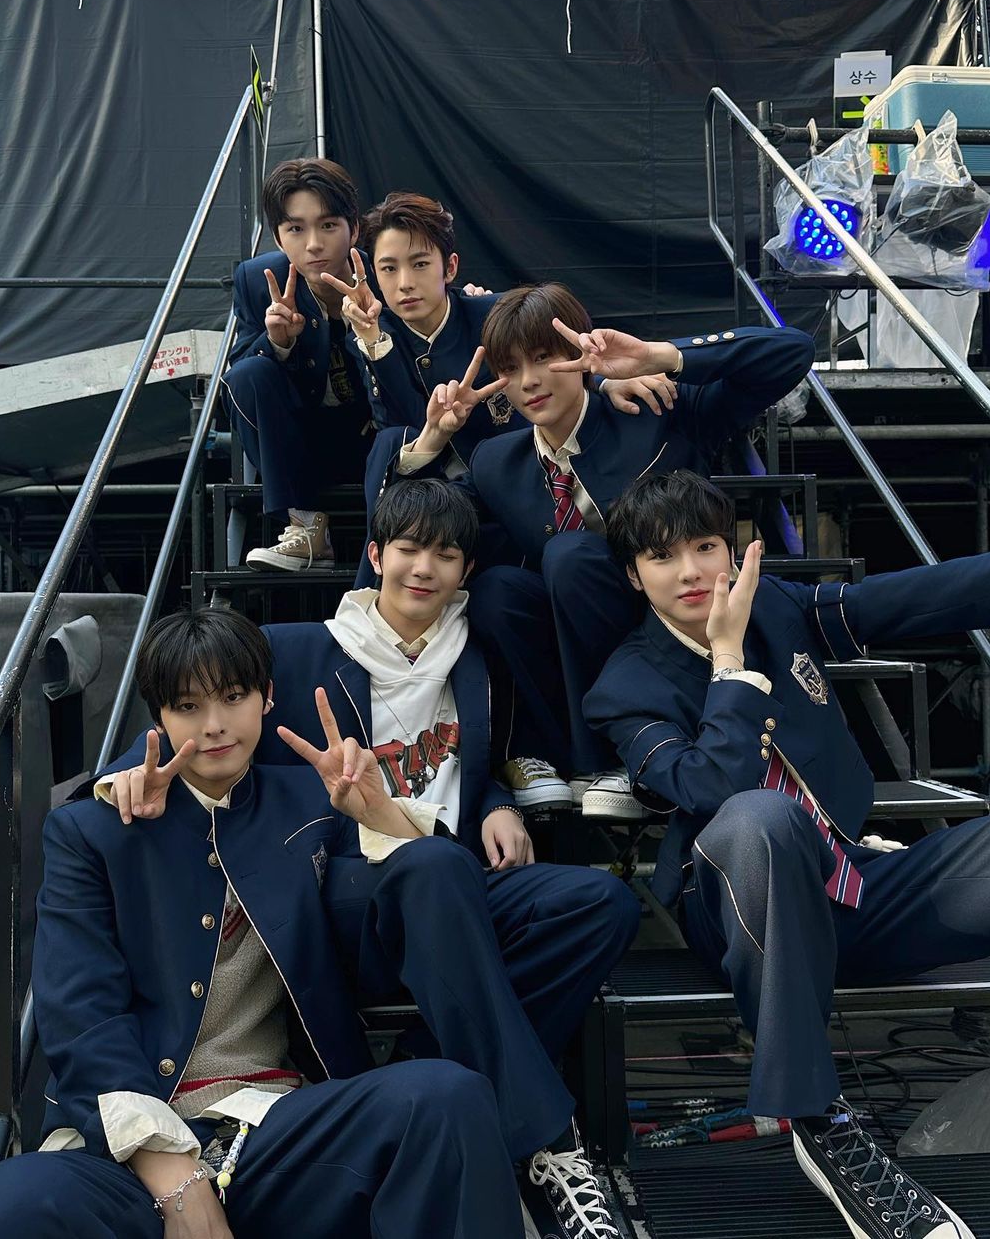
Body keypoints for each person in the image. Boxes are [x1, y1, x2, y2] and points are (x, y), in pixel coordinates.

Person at [91, 480, 642, 1239]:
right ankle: (547, 1141)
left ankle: (430, 1066)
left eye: (446, 555)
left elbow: (487, 761)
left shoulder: (480, 658)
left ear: (466, 571)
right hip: (346, 890)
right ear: (376, 556)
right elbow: (201, 708)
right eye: (409, 549)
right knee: (430, 867)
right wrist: (124, 771)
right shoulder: (300, 648)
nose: (425, 568)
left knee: (600, 905)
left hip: (449, 877)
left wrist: (498, 803)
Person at [0, 607, 521, 1239]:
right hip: (131, 1146)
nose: (215, 725)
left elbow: (415, 905)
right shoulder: (94, 828)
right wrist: (173, 1172)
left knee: (448, 1098)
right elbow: (80, 1015)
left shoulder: (316, 801)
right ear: (159, 717)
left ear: (266, 697)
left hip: (282, 1126)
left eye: (233, 697)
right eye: (188, 706)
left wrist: (379, 814)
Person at [585, 469, 990, 1239]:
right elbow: (712, 788)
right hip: (738, 911)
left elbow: (922, 596)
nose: (691, 571)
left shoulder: (777, 607)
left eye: (706, 547)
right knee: (761, 816)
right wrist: (728, 662)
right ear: (633, 575)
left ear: (732, 552)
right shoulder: (626, 684)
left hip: (855, 887)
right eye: (663, 557)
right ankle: (821, 1122)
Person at [390, 282, 815, 815]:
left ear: (581, 351)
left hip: (677, 626)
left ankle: (608, 760)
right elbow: (424, 523)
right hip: (575, 639)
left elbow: (792, 351)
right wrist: (431, 440)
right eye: (511, 368)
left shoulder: (654, 407)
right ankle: (544, 755)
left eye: (544, 358)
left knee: (569, 557)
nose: (529, 381)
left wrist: (660, 356)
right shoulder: (497, 461)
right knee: (498, 590)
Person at [324, 191, 679, 586]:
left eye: (420, 264)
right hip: (436, 478)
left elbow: (564, 357)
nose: (405, 283)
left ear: (450, 267)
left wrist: (606, 379)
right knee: (391, 441)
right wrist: (374, 342)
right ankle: (373, 592)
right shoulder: (372, 334)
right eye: (388, 269)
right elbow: (399, 421)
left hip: (513, 476)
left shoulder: (492, 314)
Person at [223, 157, 376, 572]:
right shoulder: (258, 280)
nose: (313, 244)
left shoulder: (383, 272)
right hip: (298, 441)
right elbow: (238, 380)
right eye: (296, 229)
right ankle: (306, 528)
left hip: (377, 437)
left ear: (353, 229)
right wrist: (278, 342)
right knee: (248, 372)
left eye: (327, 225)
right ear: (277, 236)